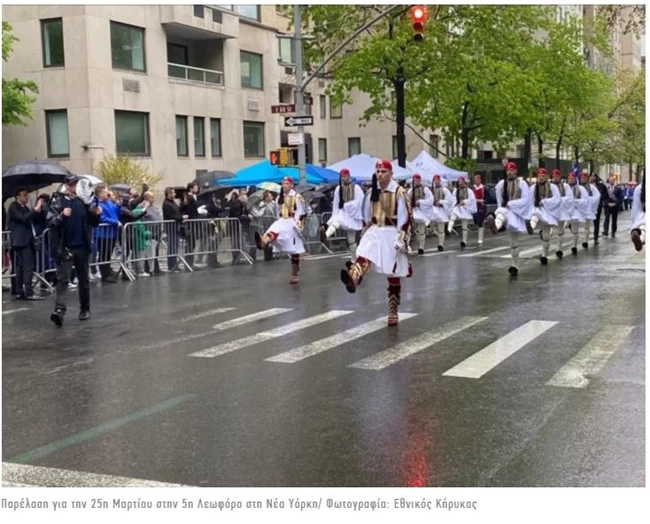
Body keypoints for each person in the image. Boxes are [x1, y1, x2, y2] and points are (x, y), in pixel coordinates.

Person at [339, 160, 412, 326]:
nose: (380, 174)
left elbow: (405, 217)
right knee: (364, 254)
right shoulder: (371, 192)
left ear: (391, 174)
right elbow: (366, 213)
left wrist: (402, 238)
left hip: (391, 233)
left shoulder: (399, 192)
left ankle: (393, 308)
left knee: (393, 274)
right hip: (374, 230)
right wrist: (365, 230)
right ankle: (354, 277)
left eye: (384, 171)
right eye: (378, 171)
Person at [47, 175, 102, 326]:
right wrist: (61, 216)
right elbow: (51, 222)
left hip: (82, 246)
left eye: (77, 184)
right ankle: (59, 311)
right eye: (73, 184)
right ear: (68, 186)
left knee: (83, 279)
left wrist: (96, 214)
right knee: (62, 280)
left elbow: (92, 223)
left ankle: (85, 308)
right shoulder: (58, 201)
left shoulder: (84, 201)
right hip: (65, 247)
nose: (76, 187)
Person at [255, 177, 307, 284]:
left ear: (291, 185)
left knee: (294, 250)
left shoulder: (297, 197)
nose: (285, 185)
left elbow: (302, 212)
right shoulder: (279, 197)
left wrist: (298, 225)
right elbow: (277, 211)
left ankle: (294, 273)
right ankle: (263, 241)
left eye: (287, 183)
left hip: (292, 223)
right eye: (283, 183)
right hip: (282, 220)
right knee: (274, 230)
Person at [484, 162, 533, 276]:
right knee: (501, 213)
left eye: (511, 170)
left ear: (516, 171)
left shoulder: (522, 183)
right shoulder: (502, 183)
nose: (509, 172)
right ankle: (495, 226)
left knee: (513, 240)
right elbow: (498, 197)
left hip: (517, 213)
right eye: (507, 170)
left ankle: (514, 264)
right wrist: (502, 206)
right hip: (506, 210)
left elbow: (525, 200)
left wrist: (511, 203)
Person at [8, 188, 45, 300]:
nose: (26, 197)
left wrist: (37, 212)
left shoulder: (25, 208)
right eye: (24, 195)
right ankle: (28, 292)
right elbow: (23, 218)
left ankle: (20, 291)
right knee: (28, 266)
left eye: (27, 195)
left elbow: (31, 219)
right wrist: (35, 209)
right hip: (20, 240)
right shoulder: (13, 207)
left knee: (21, 267)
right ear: (17, 196)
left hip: (26, 240)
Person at [320, 168, 364, 256]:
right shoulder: (338, 188)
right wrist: (335, 214)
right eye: (342, 177)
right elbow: (336, 203)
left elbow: (360, 201)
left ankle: (354, 258)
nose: (343, 178)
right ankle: (325, 235)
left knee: (351, 240)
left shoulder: (356, 188)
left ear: (349, 176)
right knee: (337, 221)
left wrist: (347, 205)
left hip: (353, 215)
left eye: (345, 176)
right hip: (342, 212)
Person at [528, 168, 561, 265]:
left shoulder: (553, 187)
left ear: (547, 176)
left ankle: (544, 254)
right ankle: (531, 227)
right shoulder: (533, 188)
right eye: (539, 176)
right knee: (535, 215)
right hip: (537, 209)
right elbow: (529, 200)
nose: (541, 178)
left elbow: (557, 199)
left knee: (546, 236)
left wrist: (545, 202)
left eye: (543, 176)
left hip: (548, 212)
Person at [407, 174, 433, 255]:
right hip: (413, 211)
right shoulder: (410, 190)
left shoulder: (425, 189)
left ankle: (421, 247)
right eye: (414, 180)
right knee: (408, 229)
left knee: (421, 230)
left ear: (420, 180)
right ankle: (407, 246)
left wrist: (420, 202)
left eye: (417, 180)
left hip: (421, 211)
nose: (415, 182)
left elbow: (430, 201)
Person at [447, 176, 477, 249]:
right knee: (453, 215)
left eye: (461, 181)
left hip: (465, 208)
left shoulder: (469, 190)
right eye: (459, 182)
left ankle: (464, 241)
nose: (460, 183)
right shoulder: (456, 191)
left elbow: (472, 199)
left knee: (464, 226)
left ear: (464, 182)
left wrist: (464, 202)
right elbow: (453, 198)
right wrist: (456, 202)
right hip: (457, 206)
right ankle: (449, 228)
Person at [551, 169, 574, 259]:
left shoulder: (565, 186)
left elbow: (569, 197)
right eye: (554, 176)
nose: (555, 178)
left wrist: (560, 200)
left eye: (557, 176)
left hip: (560, 210)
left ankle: (559, 249)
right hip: (551, 210)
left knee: (560, 230)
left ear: (560, 177)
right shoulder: (549, 185)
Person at [162, 187, 186, 272]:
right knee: (172, 247)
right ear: (169, 194)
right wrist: (181, 217)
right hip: (171, 228)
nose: (175, 194)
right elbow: (171, 216)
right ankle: (171, 265)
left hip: (175, 227)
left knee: (175, 247)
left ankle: (174, 264)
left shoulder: (172, 202)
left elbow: (178, 211)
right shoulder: (166, 204)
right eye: (173, 193)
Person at [566, 171, 589, 255]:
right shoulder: (564, 188)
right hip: (565, 211)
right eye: (569, 179)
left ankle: (574, 245)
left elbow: (585, 200)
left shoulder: (580, 188)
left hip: (575, 211)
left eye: (572, 178)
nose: (570, 180)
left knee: (575, 229)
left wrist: (576, 202)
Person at [429, 174, 453, 251]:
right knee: (430, 226)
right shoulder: (430, 190)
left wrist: (441, 202)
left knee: (441, 228)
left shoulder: (444, 190)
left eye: (437, 180)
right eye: (435, 180)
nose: (436, 181)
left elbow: (450, 200)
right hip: (433, 209)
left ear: (439, 180)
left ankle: (440, 244)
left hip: (441, 210)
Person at [579, 170, 600, 249]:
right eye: (581, 178)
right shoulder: (577, 187)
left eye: (584, 178)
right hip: (579, 208)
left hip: (587, 208)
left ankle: (585, 240)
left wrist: (588, 201)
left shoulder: (591, 187)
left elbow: (597, 196)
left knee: (586, 225)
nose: (583, 179)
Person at [630, 174, 645, 251]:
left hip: (642, 214)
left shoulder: (638, 188)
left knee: (643, 227)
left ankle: (640, 238)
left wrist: (634, 224)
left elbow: (635, 208)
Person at [471, 174, 487, 245]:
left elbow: (487, 198)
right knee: (476, 221)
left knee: (481, 221)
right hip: (474, 206)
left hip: (481, 206)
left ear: (480, 180)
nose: (476, 180)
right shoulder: (472, 188)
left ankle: (480, 238)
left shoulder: (484, 188)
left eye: (478, 179)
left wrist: (483, 201)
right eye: (475, 179)